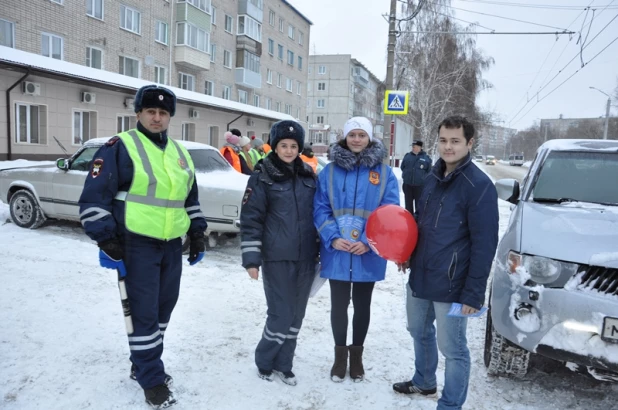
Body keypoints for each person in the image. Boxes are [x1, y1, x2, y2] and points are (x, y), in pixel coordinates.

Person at [78, 84, 207, 409]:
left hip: (170, 246)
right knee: (144, 314)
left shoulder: (179, 153)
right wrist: (105, 238)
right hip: (135, 244)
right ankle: (151, 377)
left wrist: (198, 233)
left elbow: (189, 198)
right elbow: (95, 196)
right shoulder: (119, 147)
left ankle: (142, 361)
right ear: (138, 113)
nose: (157, 117)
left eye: (163, 113)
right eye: (151, 111)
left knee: (164, 308)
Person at [393, 115, 499, 410]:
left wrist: (474, 293)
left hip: (453, 282)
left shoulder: (479, 186)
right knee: (418, 331)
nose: (447, 147)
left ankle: (450, 404)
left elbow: (484, 245)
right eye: (443, 140)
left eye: (455, 141)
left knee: (453, 349)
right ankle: (424, 381)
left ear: (469, 143)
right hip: (422, 274)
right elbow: (422, 225)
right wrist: (408, 253)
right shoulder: (431, 178)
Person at [313, 117, 400, 382]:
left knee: (362, 306)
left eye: (362, 135)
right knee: (338, 306)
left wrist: (367, 241)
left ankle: (357, 358)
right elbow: (320, 208)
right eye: (353, 134)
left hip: (367, 253)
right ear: (345, 137)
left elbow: (390, 212)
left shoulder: (384, 174)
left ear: (370, 138)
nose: (357, 139)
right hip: (337, 250)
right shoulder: (328, 172)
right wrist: (333, 237)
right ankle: (340, 360)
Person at [240, 120, 318, 386]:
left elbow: (319, 215)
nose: (288, 150)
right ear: (274, 146)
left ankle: (285, 364)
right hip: (276, 257)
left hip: (306, 257)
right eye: (283, 145)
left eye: (293, 145)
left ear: (300, 147)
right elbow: (251, 219)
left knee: (296, 315)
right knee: (280, 313)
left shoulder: (308, 175)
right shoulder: (262, 176)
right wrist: (251, 259)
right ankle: (265, 360)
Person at [400, 140, 432, 215]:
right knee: (408, 206)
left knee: (419, 206)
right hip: (408, 185)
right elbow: (402, 167)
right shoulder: (407, 156)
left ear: (420, 147)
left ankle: (418, 223)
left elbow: (429, 171)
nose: (414, 148)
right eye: (413, 147)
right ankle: (409, 222)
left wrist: (422, 178)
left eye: (416, 147)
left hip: (419, 186)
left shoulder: (426, 158)